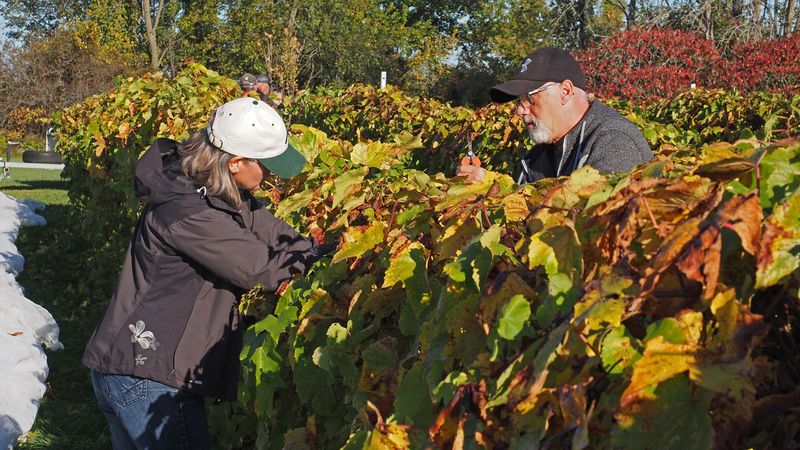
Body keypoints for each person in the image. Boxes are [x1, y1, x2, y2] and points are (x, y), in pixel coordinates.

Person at [82, 98, 332, 449]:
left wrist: (325, 249)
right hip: (150, 377)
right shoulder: (188, 212)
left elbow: (278, 235)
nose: (272, 175)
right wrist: (335, 262)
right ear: (236, 163)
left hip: (139, 371)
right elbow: (261, 268)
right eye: (265, 165)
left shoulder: (217, 193)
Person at [457, 47, 653, 183]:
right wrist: (485, 190)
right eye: (519, 100)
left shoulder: (614, 141)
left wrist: (492, 184)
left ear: (565, 91)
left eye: (530, 98)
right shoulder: (537, 157)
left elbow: (592, 226)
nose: (519, 110)